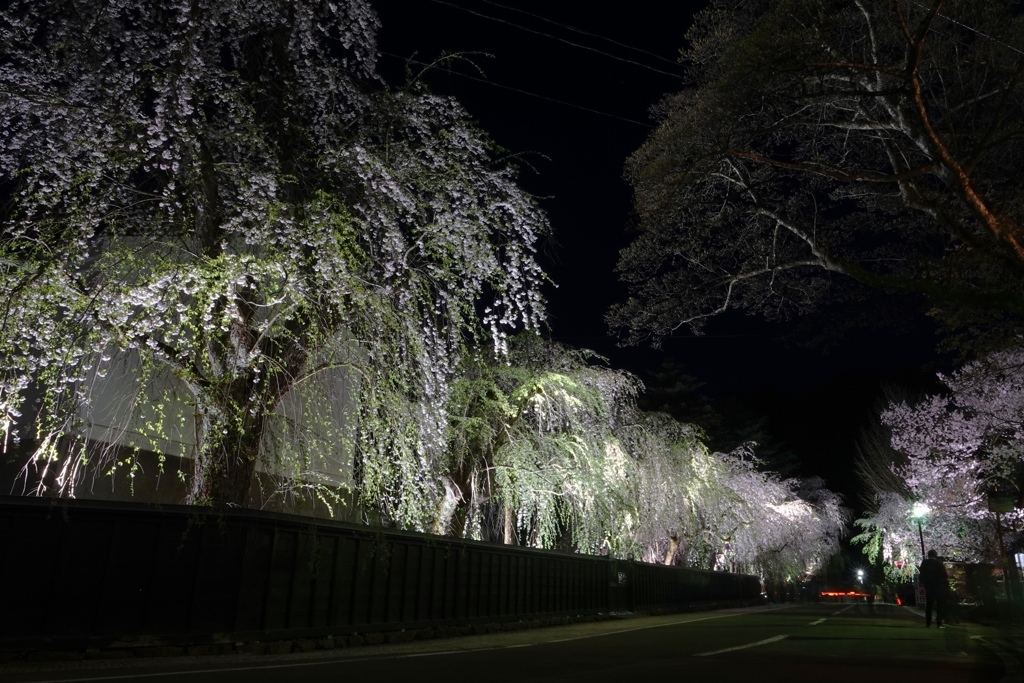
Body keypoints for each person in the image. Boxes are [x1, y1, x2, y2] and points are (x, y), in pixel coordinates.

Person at [919, 549, 949, 628]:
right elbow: (944, 576)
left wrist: (924, 583)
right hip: (938, 586)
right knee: (939, 605)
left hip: (928, 587)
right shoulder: (938, 564)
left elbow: (921, 574)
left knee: (929, 604)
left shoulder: (925, 563)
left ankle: (928, 622)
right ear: (935, 555)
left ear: (928, 555)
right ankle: (939, 622)